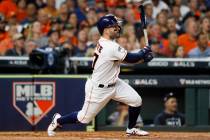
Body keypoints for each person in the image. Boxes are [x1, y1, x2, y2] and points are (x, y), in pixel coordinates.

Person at [47, 14, 153, 137]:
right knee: (83, 119)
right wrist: (143, 52)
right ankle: (58, 120)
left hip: (114, 83)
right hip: (98, 89)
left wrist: (142, 57)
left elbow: (126, 60)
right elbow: (131, 58)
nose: (117, 28)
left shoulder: (108, 43)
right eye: (114, 26)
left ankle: (131, 128)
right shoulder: (110, 46)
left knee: (136, 101)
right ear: (106, 29)